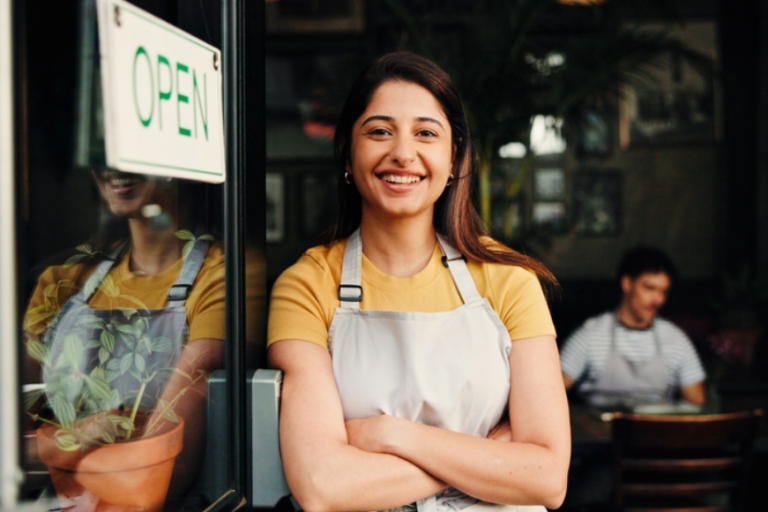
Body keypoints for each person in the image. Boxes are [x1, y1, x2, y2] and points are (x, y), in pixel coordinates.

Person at [267, 52, 570, 512]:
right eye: (379, 131)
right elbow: (322, 486)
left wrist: (388, 435)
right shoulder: (307, 284)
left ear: (453, 158)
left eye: (426, 133)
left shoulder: (509, 279)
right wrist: (486, 457)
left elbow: (547, 479)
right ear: (349, 152)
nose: (403, 153)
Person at [23, 170, 225, 508]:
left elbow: (155, 475)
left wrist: (48, 449)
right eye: (103, 151)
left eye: (127, 148)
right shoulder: (63, 282)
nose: (112, 167)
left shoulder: (223, 278)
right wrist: (84, 435)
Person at [560, 246, 706, 409]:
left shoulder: (676, 339)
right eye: (649, 288)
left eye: (663, 291)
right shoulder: (590, 335)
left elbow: (696, 402)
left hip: (657, 431)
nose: (657, 299)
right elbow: (553, 390)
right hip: (600, 432)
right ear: (627, 284)